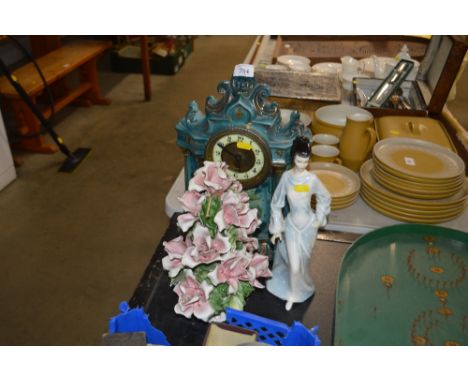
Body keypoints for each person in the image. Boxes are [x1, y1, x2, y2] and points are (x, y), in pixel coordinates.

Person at [267, 136, 331, 311]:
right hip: (292, 227)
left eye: (305, 161)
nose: (302, 164)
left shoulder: (312, 179)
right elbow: (276, 203)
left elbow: (325, 197)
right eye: (299, 160)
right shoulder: (287, 178)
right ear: (293, 158)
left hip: (308, 227)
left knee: (303, 265)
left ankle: (301, 289)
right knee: (295, 266)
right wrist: (277, 228)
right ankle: (294, 295)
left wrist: (319, 217)